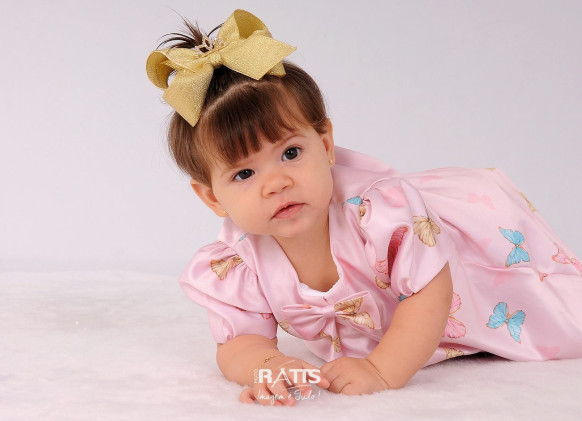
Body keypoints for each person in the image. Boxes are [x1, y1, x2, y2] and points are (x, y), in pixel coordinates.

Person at [146, 9, 582, 406]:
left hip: (465, 279)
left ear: (326, 146)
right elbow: (237, 343)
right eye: (244, 174)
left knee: (554, 316)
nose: (276, 183)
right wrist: (268, 364)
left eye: (291, 153)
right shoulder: (239, 261)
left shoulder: (379, 214)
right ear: (212, 197)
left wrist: (381, 369)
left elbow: (429, 292)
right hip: (403, 320)